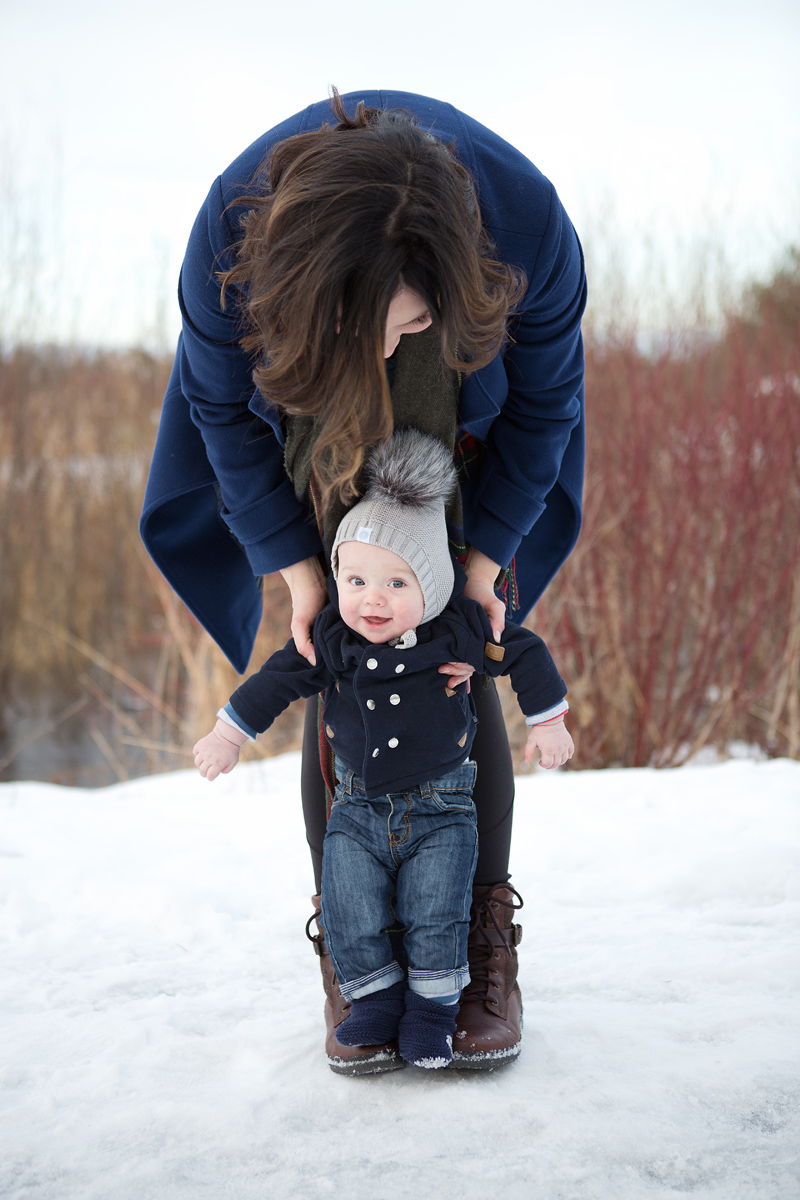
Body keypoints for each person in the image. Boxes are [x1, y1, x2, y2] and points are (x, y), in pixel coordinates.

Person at [140, 88, 586, 1069]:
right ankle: (355, 947)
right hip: (302, 356)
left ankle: (480, 931)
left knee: (444, 620)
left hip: (466, 377)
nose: (386, 352)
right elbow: (222, 411)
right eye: (369, 329)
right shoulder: (230, 239)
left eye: (407, 323)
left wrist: (480, 569)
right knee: (352, 629)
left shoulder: (527, 226)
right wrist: (303, 577)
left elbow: (545, 402)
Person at [193, 432, 573, 1072]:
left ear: (434, 586)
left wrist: (548, 720)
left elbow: (524, 653)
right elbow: (279, 679)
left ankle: (431, 1013)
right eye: (357, 580)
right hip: (356, 811)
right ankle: (371, 1001)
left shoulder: (457, 630)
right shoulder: (334, 638)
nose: (373, 598)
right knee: (350, 907)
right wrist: (229, 733)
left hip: (441, 812)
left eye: (397, 582)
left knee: (437, 913)